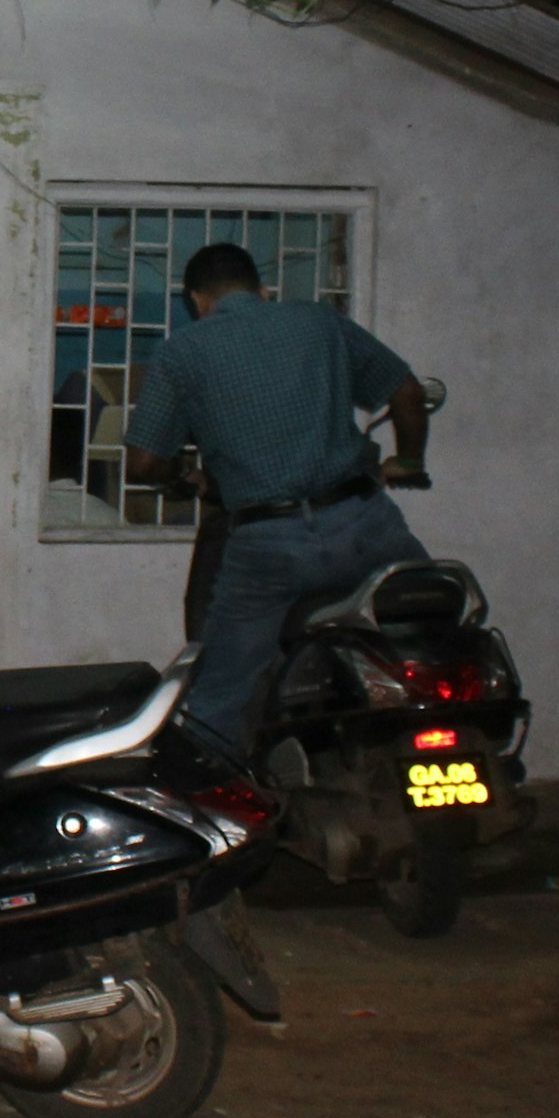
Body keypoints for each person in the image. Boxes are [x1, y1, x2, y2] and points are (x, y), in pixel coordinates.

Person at [120, 241, 431, 763]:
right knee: (430, 630)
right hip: (365, 526)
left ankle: (212, 812)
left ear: (198, 300)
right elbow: (407, 394)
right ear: (263, 290)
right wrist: (409, 463)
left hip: (268, 546)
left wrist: (187, 478)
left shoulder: (184, 352)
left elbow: (143, 464)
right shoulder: (320, 322)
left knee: (219, 694)